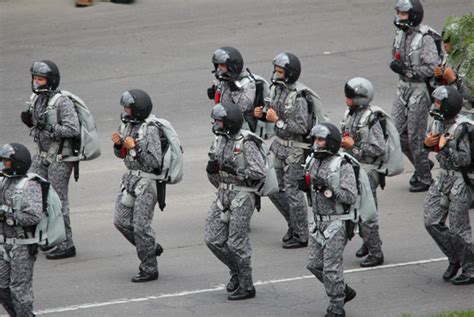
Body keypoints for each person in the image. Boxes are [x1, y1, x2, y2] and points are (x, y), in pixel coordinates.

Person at [204, 103, 265, 300]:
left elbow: (258, 172)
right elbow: (215, 178)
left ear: (229, 122)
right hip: (223, 194)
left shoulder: (246, 142)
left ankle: (247, 285)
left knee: (237, 243)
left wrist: (236, 171)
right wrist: (211, 170)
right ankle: (236, 271)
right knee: (212, 239)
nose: (216, 124)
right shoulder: (219, 140)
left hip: (243, 195)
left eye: (219, 121)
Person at [20, 60, 80, 259]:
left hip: (60, 158)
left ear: (51, 81)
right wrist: (32, 122)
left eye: (40, 79)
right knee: (33, 195)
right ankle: (45, 237)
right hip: (42, 155)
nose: (36, 82)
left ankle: (66, 244)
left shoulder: (62, 102)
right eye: (34, 78)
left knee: (58, 201)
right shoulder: (37, 99)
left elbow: (72, 129)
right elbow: (39, 125)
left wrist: (49, 128)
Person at [254, 52, 310, 248]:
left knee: (293, 192)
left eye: (280, 71)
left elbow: (301, 128)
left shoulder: (299, 97)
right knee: (274, 188)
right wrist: (261, 114)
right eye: (275, 70)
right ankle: (293, 224)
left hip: (295, 149)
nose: (276, 74)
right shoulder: (276, 89)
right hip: (279, 146)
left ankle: (302, 234)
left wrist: (275, 120)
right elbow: (270, 109)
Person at [302, 122, 357, 317]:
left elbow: (350, 196)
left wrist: (327, 190)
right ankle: (343, 290)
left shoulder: (342, 164)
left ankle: (337, 307)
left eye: (321, 139)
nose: (316, 143)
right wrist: (306, 186)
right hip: (317, 222)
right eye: (315, 139)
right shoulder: (313, 161)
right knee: (314, 264)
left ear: (331, 142)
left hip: (336, 222)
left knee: (332, 268)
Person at [423, 85, 474, 285]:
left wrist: (444, 148)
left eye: (438, 102)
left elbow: (464, 159)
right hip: (442, 177)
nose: (435, 105)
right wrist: (428, 144)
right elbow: (429, 144)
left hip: (461, 181)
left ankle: (470, 269)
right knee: (431, 221)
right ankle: (455, 257)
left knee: (459, 229)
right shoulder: (436, 122)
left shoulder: (461, 128)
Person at [112, 89, 164, 283]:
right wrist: (119, 146)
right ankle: (150, 248)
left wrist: (135, 148)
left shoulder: (150, 129)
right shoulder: (127, 125)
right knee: (121, 221)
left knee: (141, 227)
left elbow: (155, 162)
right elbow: (122, 156)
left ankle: (149, 268)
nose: (125, 111)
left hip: (147, 182)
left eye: (128, 108)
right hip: (130, 179)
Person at [390, 0, 440, 192]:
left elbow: (431, 68)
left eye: (403, 14)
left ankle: (425, 177)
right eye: (399, 13)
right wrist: (398, 67)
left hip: (419, 90)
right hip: (402, 89)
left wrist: (408, 70)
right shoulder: (399, 34)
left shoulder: (425, 38)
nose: (399, 18)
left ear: (413, 15)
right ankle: (423, 164)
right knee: (395, 134)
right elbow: (395, 56)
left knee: (415, 137)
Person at [340, 77, 385, 267]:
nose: (346, 100)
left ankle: (376, 252)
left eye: (350, 97)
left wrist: (354, 147)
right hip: (354, 167)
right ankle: (368, 242)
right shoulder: (350, 114)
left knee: (366, 213)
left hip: (368, 170)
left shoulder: (371, 119)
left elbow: (378, 149)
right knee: (356, 211)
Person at [0, 143, 43, 316]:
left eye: (6, 161)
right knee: (2, 287)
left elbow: (34, 216)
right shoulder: (4, 181)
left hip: (22, 245)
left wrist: (7, 216)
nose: (3, 164)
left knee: (20, 291)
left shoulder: (29, 186)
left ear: (17, 163)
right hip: (4, 244)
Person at [207, 47, 257, 132]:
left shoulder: (247, 83)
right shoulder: (224, 81)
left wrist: (234, 89)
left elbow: (243, 107)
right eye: (217, 65)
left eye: (222, 65)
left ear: (233, 66)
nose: (219, 69)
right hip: (225, 126)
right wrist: (215, 92)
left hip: (242, 129)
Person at [434, 15, 474, 117]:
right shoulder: (448, 58)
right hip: (449, 110)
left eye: (448, 41)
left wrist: (454, 80)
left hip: (468, 113)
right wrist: (439, 78)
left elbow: (472, 96)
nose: (444, 45)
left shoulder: (469, 60)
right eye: (443, 41)